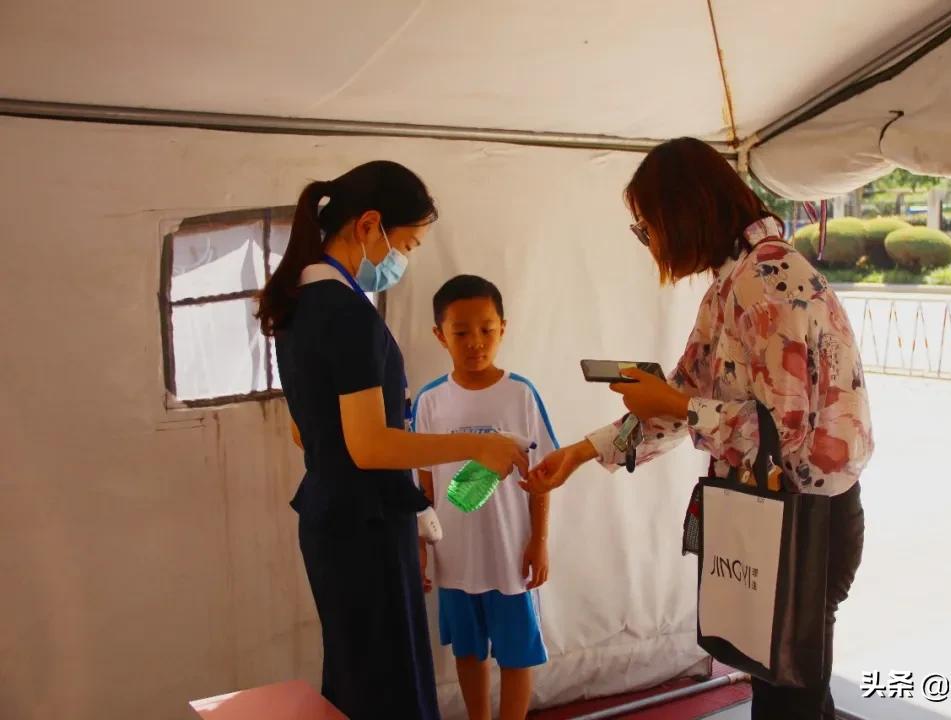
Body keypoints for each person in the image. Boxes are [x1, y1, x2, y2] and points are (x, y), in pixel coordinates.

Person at [521, 138, 873, 720]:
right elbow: (685, 392)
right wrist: (583, 452)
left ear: (685, 212)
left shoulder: (768, 278)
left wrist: (676, 405)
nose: (649, 243)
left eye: (647, 227)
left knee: (790, 696)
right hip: (778, 514)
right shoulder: (734, 282)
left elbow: (783, 440)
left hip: (807, 518)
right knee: (782, 684)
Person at [256, 161, 529, 720]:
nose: (404, 258)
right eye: (407, 242)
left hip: (332, 517)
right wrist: (473, 447)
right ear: (370, 225)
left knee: (356, 680)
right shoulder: (348, 313)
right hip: (366, 526)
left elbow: (305, 429)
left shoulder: (296, 306)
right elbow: (369, 448)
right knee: (390, 688)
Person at [413, 275, 556, 720]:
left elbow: (542, 476)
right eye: (460, 332)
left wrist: (539, 540)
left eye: (486, 330)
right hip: (454, 556)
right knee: (468, 651)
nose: (475, 342)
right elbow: (425, 487)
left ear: (503, 328)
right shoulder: (431, 401)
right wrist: (421, 548)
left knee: (516, 653)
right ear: (440, 335)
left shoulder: (520, 394)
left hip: (508, 554)